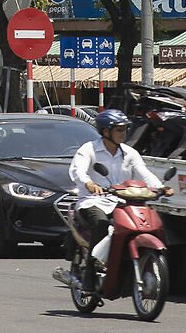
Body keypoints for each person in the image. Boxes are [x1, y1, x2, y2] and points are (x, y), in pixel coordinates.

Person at [62, 109, 164, 268]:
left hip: (123, 202)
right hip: (93, 201)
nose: (123, 133)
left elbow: (144, 173)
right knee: (101, 224)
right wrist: (89, 183)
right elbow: (77, 171)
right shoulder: (89, 149)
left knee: (149, 223)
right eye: (119, 130)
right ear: (105, 131)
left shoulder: (130, 153)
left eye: (125, 129)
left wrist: (160, 187)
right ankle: (91, 268)